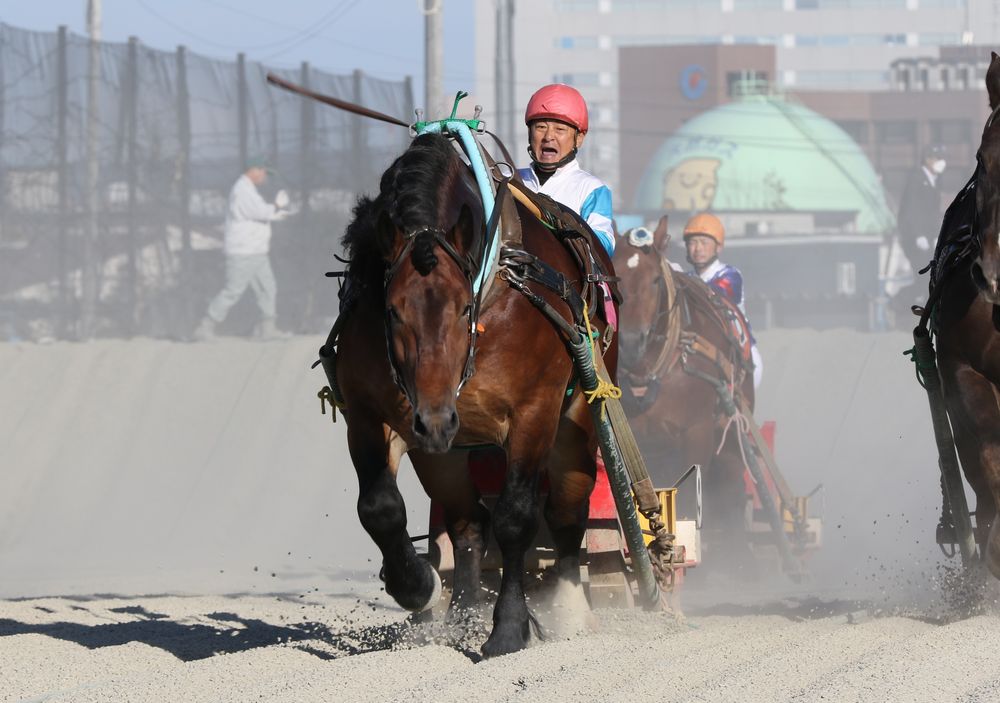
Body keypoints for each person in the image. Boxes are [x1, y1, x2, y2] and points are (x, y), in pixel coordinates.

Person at [194, 157, 291, 341]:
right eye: (263, 172)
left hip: (256, 251)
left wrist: (277, 214)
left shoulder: (248, 190)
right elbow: (259, 211)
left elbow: (258, 214)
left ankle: (267, 328)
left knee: (267, 288)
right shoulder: (242, 190)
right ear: (254, 170)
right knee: (233, 290)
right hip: (243, 252)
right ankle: (206, 326)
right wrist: (277, 206)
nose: (264, 177)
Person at [517, 83, 616, 256]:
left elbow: (605, 244)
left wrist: (565, 228)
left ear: (579, 138)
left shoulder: (591, 188)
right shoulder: (508, 178)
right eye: (540, 127)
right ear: (529, 133)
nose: (548, 136)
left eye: (560, 129)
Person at [682, 212, 763, 388]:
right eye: (693, 243)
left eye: (704, 242)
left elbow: (710, 295)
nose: (698, 249)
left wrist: (678, 280)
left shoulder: (731, 275)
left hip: (740, 355)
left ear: (718, 247)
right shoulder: (685, 278)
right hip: (698, 351)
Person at [897, 144, 947, 276]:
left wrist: (936, 235)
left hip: (929, 237)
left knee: (934, 274)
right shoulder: (916, 179)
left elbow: (933, 213)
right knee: (923, 275)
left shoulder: (935, 181)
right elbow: (912, 209)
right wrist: (918, 235)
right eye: (938, 158)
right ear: (928, 159)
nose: (942, 162)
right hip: (914, 237)